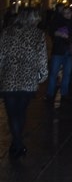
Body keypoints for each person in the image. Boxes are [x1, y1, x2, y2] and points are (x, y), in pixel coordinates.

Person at [0, 8, 49, 159]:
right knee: (21, 113)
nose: (38, 20)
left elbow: (1, 55)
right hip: (27, 80)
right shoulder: (37, 34)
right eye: (36, 17)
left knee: (11, 113)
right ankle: (17, 143)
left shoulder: (7, 32)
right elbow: (42, 58)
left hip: (9, 78)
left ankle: (17, 143)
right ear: (31, 19)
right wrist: (41, 76)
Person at [45, 5, 72, 105]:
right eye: (65, 13)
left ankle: (64, 93)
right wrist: (57, 34)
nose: (67, 15)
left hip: (69, 52)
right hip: (58, 51)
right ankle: (50, 94)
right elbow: (51, 32)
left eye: (69, 13)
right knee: (53, 73)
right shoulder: (57, 22)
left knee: (67, 74)